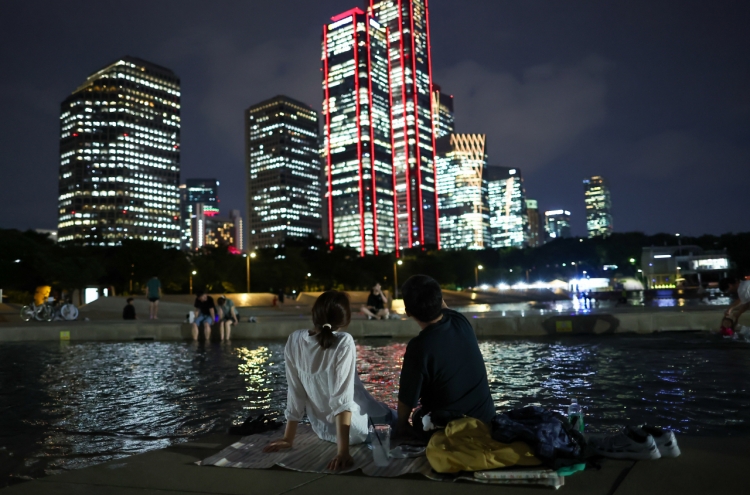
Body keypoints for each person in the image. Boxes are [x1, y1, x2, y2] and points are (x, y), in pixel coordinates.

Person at [263, 291, 395, 470]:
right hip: (357, 429)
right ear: (345, 320)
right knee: (395, 417)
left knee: (383, 410)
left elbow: (295, 393)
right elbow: (343, 400)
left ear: (314, 314)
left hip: (323, 431)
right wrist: (343, 452)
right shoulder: (343, 342)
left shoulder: (295, 340)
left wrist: (288, 438)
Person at [395, 275, 495, 440]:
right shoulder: (460, 320)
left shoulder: (419, 347)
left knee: (418, 416)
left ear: (408, 312)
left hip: (455, 431)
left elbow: (407, 400)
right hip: (486, 420)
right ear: (441, 300)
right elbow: (443, 307)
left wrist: (401, 426)